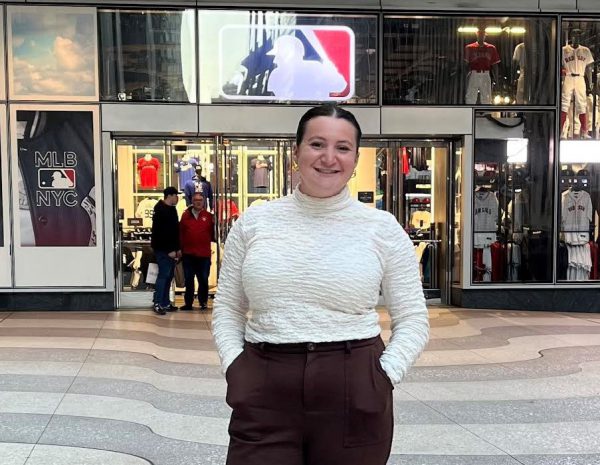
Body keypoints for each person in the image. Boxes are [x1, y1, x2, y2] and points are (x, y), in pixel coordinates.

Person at [212, 104, 429, 465]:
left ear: (356, 158)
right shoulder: (255, 223)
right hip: (265, 381)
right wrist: (236, 367)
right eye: (316, 144)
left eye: (342, 147)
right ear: (296, 151)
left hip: (354, 380)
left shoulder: (381, 228)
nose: (329, 157)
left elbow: (413, 318)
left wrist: (384, 376)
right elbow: (228, 307)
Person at [179, 192, 215, 310]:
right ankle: (188, 303)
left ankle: (203, 302)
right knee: (189, 279)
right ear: (192, 202)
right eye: (196, 200)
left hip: (204, 254)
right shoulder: (185, 216)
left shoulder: (209, 216)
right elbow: (180, 234)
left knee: (203, 279)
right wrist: (180, 249)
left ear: (204, 201)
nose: (198, 202)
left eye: (200, 200)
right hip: (188, 254)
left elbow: (213, 234)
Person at [150, 186, 180, 315]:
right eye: (175, 195)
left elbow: (175, 231)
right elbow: (159, 234)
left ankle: (165, 302)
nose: (177, 198)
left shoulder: (172, 210)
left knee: (168, 276)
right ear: (169, 196)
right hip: (163, 251)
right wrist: (168, 250)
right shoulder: (160, 211)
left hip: (172, 250)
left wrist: (178, 249)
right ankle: (157, 302)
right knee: (163, 276)